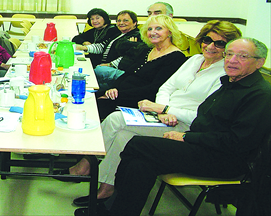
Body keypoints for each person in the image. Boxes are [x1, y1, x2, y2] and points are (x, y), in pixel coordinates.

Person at [66, 21, 242, 215]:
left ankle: (89, 169)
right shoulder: (194, 60)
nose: (210, 46)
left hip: (185, 125)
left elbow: (204, 115)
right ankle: (107, 187)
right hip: (162, 115)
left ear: (230, 48)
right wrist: (162, 109)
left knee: (116, 119)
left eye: (219, 43)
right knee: (123, 134)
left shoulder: (226, 73)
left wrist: (167, 109)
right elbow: (166, 87)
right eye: (207, 40)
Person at [106, 37, 270, 216]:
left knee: (138, 144)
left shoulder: (260, 95)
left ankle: (110, 201)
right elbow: (204, 118)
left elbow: (237, 142)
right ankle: (115, 210)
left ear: (260, 62)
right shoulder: (230, 83)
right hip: (202, 145)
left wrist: (185, 137)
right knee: (140, 164)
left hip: (225, 159)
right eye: (229, 54)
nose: (232, 60)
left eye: (242, 56)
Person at [96, 15, 187, 118]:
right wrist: (113, 88)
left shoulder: (176, 57)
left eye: (158, 28)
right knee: (89, 97)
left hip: (140, 101)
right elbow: (128, 74)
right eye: (149, 29)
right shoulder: (147, 50)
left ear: (170, 32)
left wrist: (118, 95)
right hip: (121, 93)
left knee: (94, 106)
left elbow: (154, 89)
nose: (153, 32)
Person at [77, 10, 142, 89]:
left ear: (135, 23)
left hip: (117, 69)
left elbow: (128, 56)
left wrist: (110, 64)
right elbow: (102, 47)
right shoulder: (119, 33)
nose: (121, 23)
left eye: (125, 20)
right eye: (119, 21)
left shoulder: (135, 35)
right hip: (105, 65)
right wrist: (84, 48)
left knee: (93, 71)